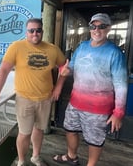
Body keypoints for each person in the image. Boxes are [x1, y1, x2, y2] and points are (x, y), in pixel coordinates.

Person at [0, 18, 66, 166]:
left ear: (42, 32)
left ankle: (35, 156)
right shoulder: (16, 47)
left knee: (39, 129)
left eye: (38, 30)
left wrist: (58, 87)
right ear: (26, 32)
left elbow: (64, 67)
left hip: (45, 98)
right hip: (24, 98)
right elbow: (4, 69)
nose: (35, 33)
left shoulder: (53, 49)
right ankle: (22, 161)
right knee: (24, 132)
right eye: (31, 30)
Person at [53, 13, 128, 166]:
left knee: (94, 141)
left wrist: (118, 113)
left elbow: (121, 85)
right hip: (75, 103)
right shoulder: (82, 47)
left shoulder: (115, 53)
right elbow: (71, 68)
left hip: (98, 109)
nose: (97, 30)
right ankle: (71, 156)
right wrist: (66, 71)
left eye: (101, 26)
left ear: (108, 28)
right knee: (70, 130)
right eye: (93, 26)